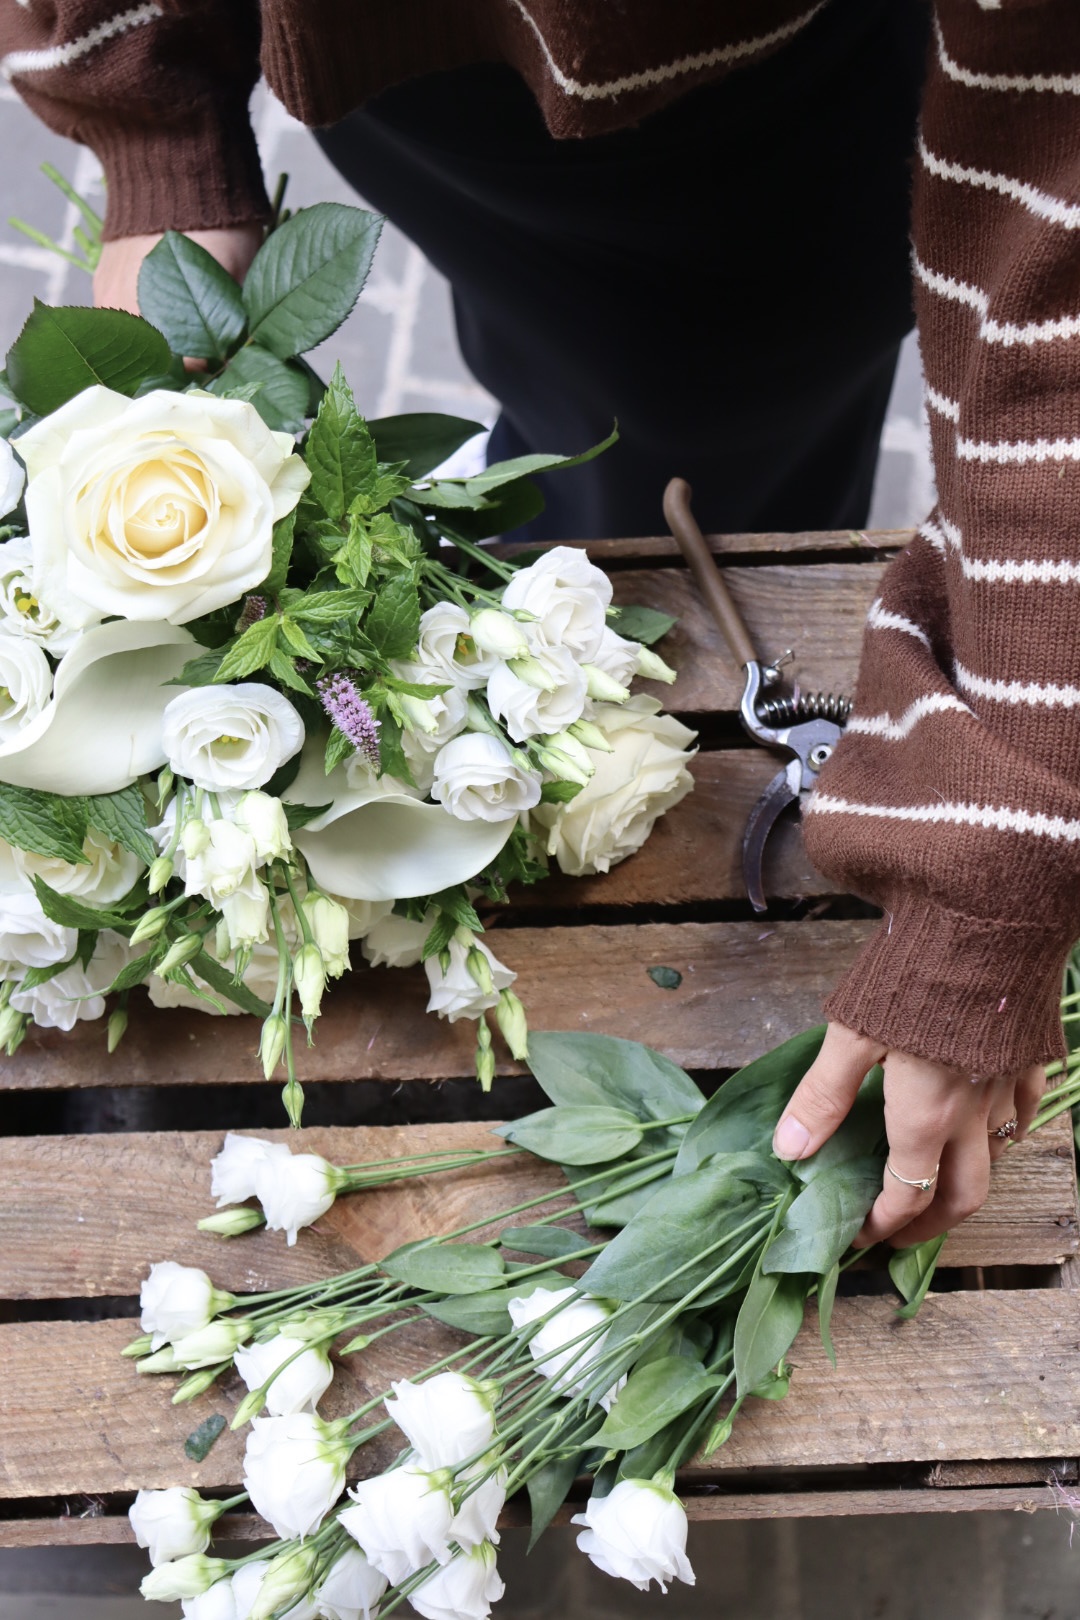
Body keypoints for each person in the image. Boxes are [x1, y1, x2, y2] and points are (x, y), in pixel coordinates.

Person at [1, 0, 1074, 1250]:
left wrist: (1003, 851)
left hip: (742, 148)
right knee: (570, 392)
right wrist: (149, 110)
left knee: (714, 466)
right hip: (422, 92)